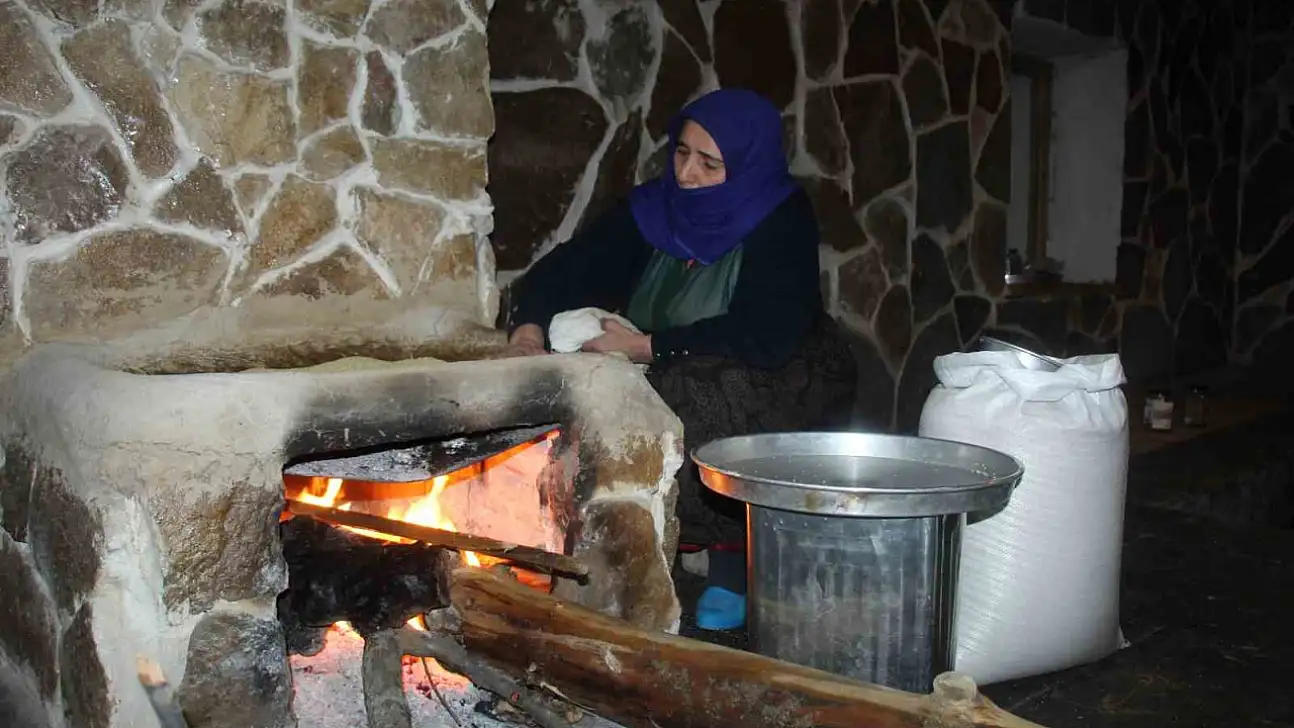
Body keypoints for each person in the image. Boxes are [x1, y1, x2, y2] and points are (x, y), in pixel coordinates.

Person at [504, 88, 857, 630]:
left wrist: (643, 347)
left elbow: (766, 332)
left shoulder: (780, 218)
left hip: (782, 367)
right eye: (682, 153)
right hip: (679, 350)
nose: (687, 173)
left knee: (698, 388)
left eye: (709, 163)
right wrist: (529, 324)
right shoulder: (656, 209)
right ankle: (636, 541)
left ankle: (732, 561)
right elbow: (574, 265)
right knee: (618, 381)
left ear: (745, 167)